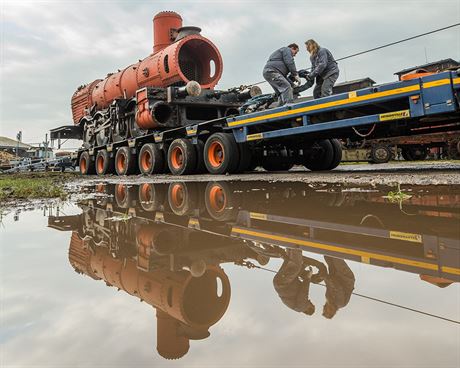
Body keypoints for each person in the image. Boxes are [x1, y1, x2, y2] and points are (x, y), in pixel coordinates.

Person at [273, 249, 320, 315]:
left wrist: (308, 278)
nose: (310, 302)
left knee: (296, 264)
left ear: (308, 309)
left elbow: (303, 291)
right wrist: (303, 266)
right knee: (289, 261)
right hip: (280, 283)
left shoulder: (302, 307)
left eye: (311, 304)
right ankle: (288, 244)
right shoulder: (296, 306)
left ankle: (296, 245)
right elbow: (296, 279)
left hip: (284, 284)